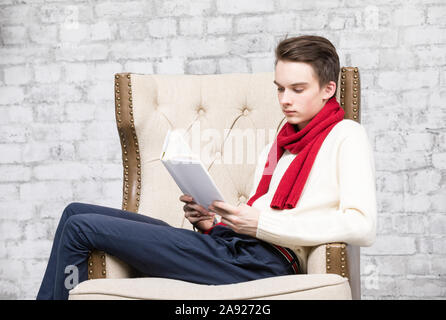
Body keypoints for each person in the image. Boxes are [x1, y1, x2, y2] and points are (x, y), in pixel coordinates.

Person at [36, 35, 377, 300]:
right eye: (280, 88)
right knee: (74, 213)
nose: (285, 99)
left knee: (82, 229)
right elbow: (255, 216)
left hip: (263, 263)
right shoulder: (282, 142)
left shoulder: (346, 135)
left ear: (328, 89)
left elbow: (362, 226)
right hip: (235, 248)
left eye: (297, 89)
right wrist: (212, 222)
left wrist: (262, 224)